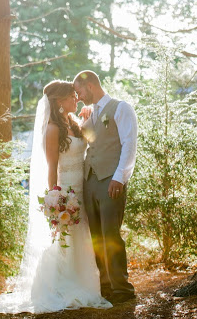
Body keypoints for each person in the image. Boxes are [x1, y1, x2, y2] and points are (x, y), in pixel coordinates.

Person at [0, 80, 112, 314]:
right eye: (72, 96)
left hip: (83, 187)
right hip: (67, 190)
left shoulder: (73, 122)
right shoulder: (52, 129)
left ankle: (85, 282)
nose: (77, 99)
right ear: (59, 102)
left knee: (82, 237)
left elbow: (93, 140)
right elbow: (51, 167)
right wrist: (56, 198)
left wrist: (89, 117)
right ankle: (62, 286)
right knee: (66, 239)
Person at [73, 70, 137, 304]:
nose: (78, 96)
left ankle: (122, 288)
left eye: (79, 91)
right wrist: (83, 121)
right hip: (89, 182)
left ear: (90, 85)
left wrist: (120, 177)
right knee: (96, 237)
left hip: (111, 181)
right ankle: (104, 286)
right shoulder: (89, 114)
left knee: (111, 234)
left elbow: (129, 144)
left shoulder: (121, 108)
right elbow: (89, 142)